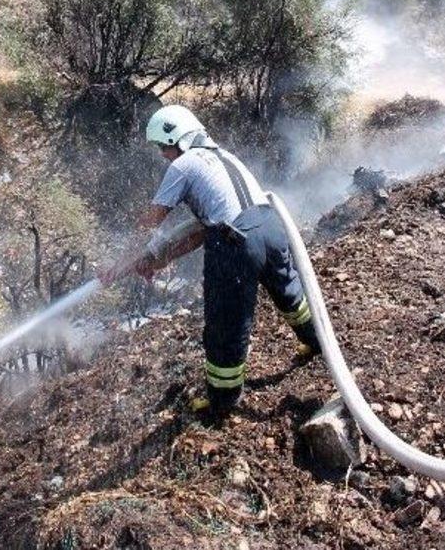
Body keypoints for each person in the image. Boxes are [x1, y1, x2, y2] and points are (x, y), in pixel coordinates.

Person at [108, 104, 321, 419]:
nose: (163, 155)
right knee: (289, 291)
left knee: (226, 323)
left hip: (236, 244)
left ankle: (221, 402)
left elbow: (151, 221)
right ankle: (316, 342)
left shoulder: (184, 165)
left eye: (163, 148)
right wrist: (158, 260)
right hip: (271, 227)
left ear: (177, 139)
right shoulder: (225, 157)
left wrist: (121, 261)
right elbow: (205, 229)